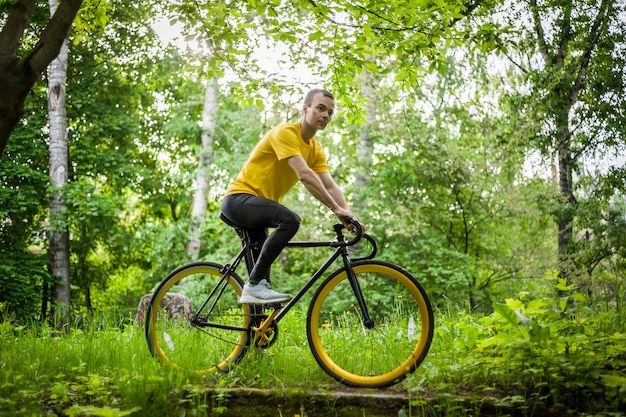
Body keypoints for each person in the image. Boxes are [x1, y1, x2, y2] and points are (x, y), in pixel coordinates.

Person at [221, 88, 363, 304]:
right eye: (321, 108)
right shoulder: (286, 133)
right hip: (239, 200)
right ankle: (254, 285)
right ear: (305, 109)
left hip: (258, 209)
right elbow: (304, 174)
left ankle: (256, 332)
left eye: (330, 112)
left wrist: (348, 214)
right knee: (289, 220)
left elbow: (330, 185)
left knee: (259, 290)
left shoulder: (315, 149)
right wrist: (336, 210)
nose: (326, 115)